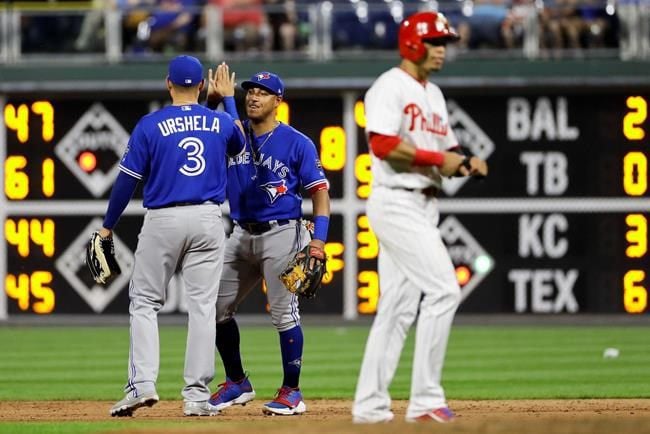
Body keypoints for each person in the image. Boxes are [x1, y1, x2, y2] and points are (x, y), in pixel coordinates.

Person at [351, 12, 488, 424]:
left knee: (396, 309)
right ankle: (427, 400)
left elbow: (448, 150)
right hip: (395, 200)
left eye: (445, 41)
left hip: (425, 202)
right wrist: (439, 158)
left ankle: (370, 406)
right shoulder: (389, 86)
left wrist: (465, 162)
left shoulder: (435, 95)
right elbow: (382, 144)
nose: (442, 49)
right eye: (435, 41)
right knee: (445, 289)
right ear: (413, 43)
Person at [105, 55, 246, 417]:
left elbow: (127, 181)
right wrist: (226, 99)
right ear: (200, 85)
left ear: (168, 83)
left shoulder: (150, 125)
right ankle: (197, 398)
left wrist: (108, 225)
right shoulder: (219, 121)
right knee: (202, 308)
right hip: (208, 218)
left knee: (145, 302)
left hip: (164, 218)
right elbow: (239, 145)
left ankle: (142, 385)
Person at [205, 64, 331, 416]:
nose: (254, 96)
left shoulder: (297, 142)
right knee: (215, 307)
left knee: (283, 314)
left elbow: (320, 192)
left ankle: (292, 392)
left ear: (278, 100)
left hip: (282, 233)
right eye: (250, 91)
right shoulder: (233, 132)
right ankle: (237, 382)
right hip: (241, 233)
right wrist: (214, 99)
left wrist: (319, 241)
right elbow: (202, 127)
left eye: (262, 92)